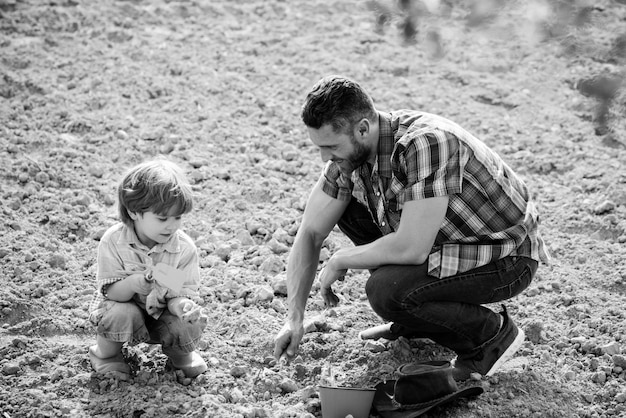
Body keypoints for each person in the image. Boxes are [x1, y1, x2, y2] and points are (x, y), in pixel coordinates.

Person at [273, 75, 549, 380]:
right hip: (447, 244)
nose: (325, 157)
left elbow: (412, 247)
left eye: (331, 146)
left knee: (386, 291)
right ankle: (420, 322)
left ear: (363, 128)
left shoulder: (426, 143)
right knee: (348, 210)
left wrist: (340, 259)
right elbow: (310, 232)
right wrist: (294, 317)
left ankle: (489, 336)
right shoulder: (350, 159)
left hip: (504, 258)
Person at [88, 159, 208, 378]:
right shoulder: (114, 242)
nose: (172, 225)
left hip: (162, 314)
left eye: (178, 217)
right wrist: (133, 284)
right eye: (162, 218)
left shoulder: (183, 248)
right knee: (119, 313)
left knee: (185, 323)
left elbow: (178, 293)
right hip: (124, 310)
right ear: (134, 212)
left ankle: (181, 358)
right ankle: (105, 355)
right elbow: (111, 292)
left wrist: (182, 306)